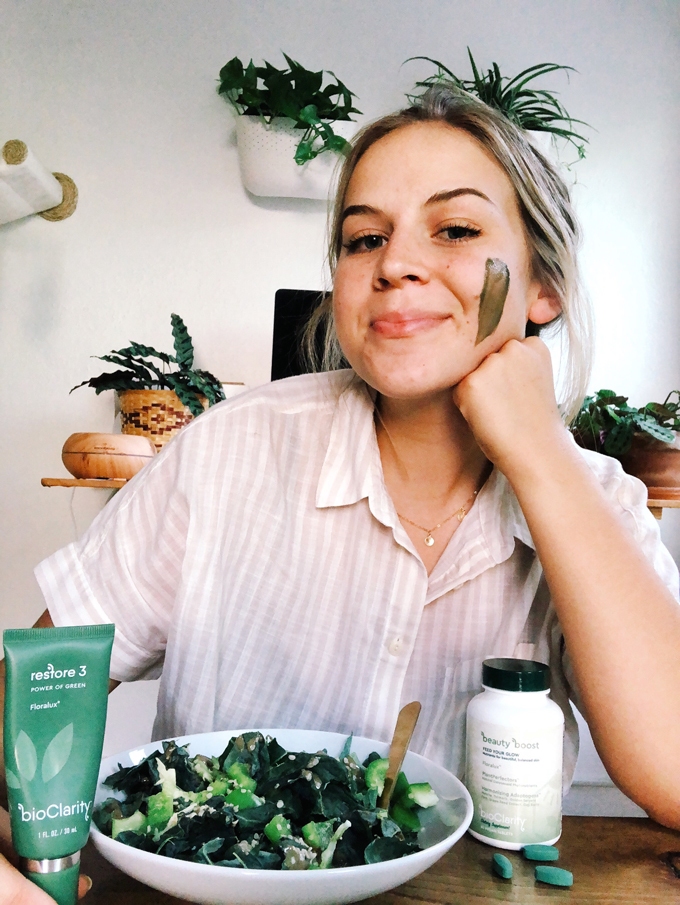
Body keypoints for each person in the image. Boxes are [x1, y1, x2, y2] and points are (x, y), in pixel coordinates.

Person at [2, 84, 680, 900]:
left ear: (544, 288)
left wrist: (538, 453)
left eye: (457, 229)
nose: (394, 263)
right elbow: (32, 699)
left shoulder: (595, 499)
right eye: (364, 239)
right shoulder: (230, 448)